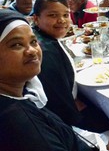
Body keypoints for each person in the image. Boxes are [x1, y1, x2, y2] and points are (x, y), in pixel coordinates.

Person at [32, 0, 109, 151]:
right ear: (35, 18)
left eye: (65, 15)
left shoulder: (47, 40)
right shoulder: (45, 52)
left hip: (70, 108)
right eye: (52, 15)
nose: (61, 20)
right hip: (66, 125)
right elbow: (59, 109)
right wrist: (100, 139)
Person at [0, 9, 96, 151]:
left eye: (33, 41)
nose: (32, 50)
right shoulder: (21, 125)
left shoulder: (20, 94)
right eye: (16, 44)